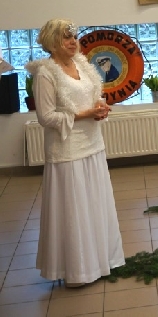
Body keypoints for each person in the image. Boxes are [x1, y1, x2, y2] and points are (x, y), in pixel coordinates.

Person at [25, 19, 124, 287]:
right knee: (74, 209)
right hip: (66, 150)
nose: (72, 42)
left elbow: (92, 96)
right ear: (52, 43)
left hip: (93, 143)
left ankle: (101, 260)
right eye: (66, 38)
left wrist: (99, 108)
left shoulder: (82, 64)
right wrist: (85, 115)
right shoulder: (45, 73)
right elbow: (46, 117)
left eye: (73, 37)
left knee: (94, 203)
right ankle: (76, 270)